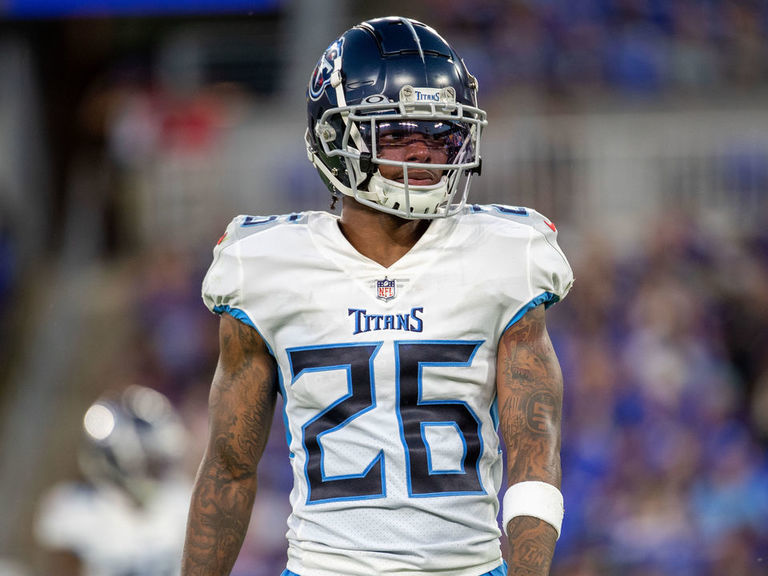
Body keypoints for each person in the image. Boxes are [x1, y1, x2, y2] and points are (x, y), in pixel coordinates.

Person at [182, 15, 573, 576]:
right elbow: (229, 466)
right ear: (335, 137)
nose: (424, 155)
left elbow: (535, 449)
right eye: (398, 133)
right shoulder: (264, 265)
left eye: (440, 135)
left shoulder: (507, 255)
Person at [35, 385, 192, 576]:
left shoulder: (184, 502)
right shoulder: (78, 511)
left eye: (159, 464)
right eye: (152, 465)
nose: (159, 474)